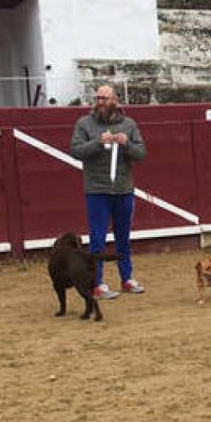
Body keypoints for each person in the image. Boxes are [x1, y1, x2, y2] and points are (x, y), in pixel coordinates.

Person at [70, 84, 147, 299]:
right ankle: (97, 283)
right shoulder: (85, 123)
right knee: (98, 239)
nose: (100, 102)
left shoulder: (129, 125)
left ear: (115, 100)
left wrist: (127, 144)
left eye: (104, 98)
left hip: (123, 189)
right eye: (98, 98)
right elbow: (75, 150)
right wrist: (97, 142)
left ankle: (127, 278)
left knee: (123, 237)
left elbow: (141, 153)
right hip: (97, 190)